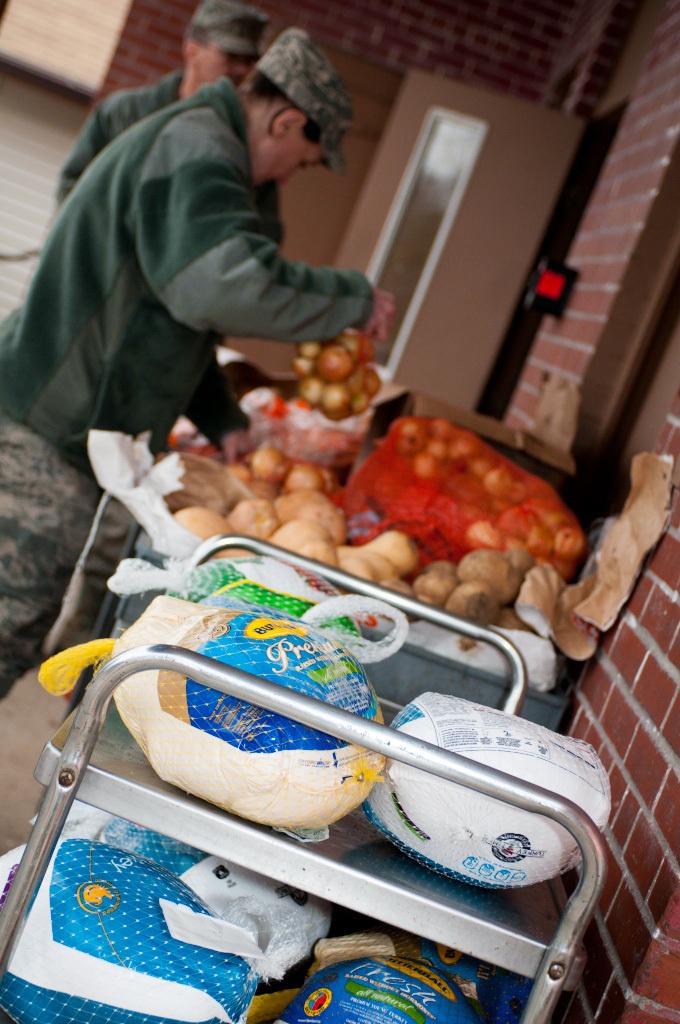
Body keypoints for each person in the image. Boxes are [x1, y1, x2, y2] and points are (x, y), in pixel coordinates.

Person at [0, 27, 395, 698]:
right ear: (286, 119)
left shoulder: (202, 144)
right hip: (42, 430)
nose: (289, 176)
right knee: (7, 619)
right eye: (301, 159)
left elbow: (172, 314)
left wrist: (218, 413)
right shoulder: (199, 148)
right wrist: (349, 299)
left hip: (66, 427)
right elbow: (217, 284)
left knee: (16, 622)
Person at [56, 0, 269, 204]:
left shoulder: (244, 142)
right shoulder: (126, 112)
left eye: (250, 60)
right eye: (231, 56)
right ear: (192, 51)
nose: (242, 70)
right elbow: (72, 189)